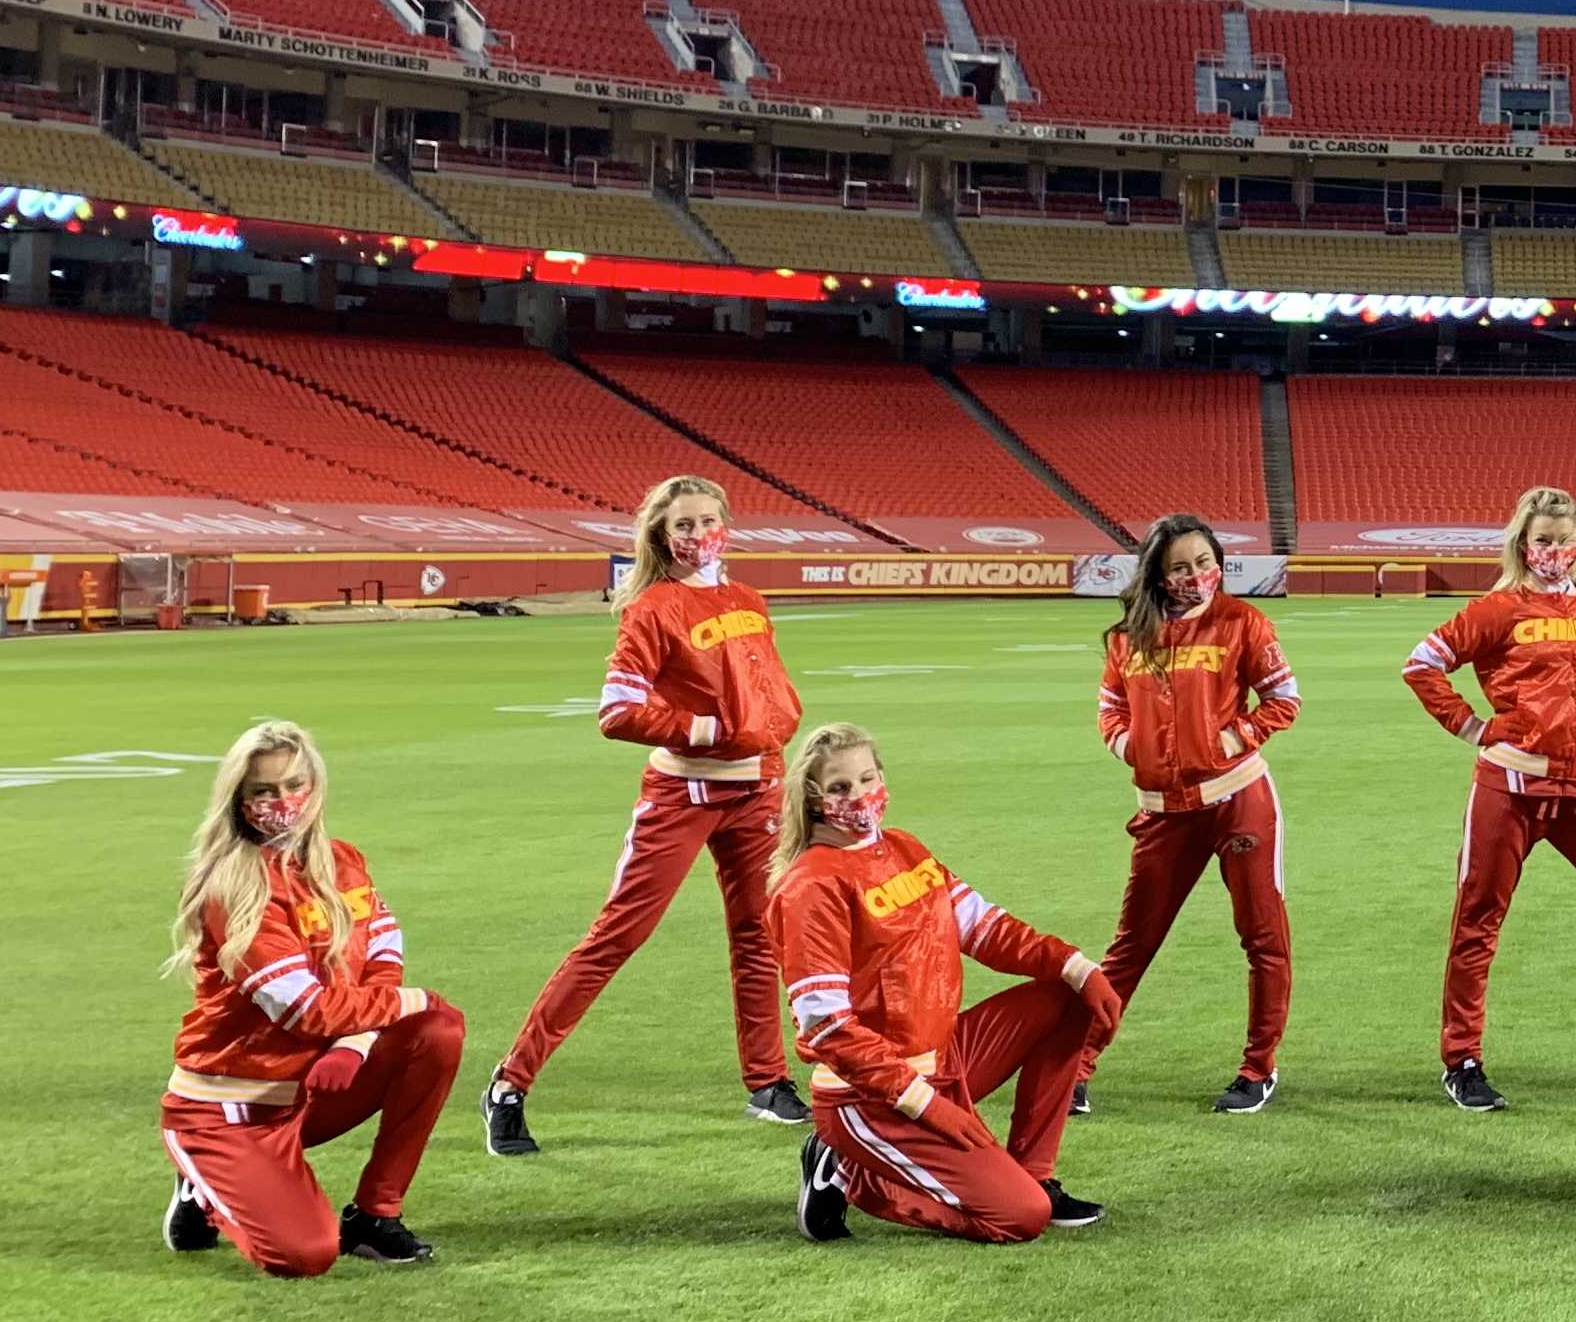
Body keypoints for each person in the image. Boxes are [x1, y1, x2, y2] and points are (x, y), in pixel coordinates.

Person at [486, 474, 809, 1153]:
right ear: (662, 537)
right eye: (683, 525)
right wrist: (707, 731)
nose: (697, 535)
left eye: (707, 521)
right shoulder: (652, 609)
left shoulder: (749, 599)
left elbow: (764, 695)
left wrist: (772, 736)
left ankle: (768, 1081)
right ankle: (510, 1084)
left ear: (728, 526)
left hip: (757, 793)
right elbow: (617, 712)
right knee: (616, 938)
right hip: (682, 797)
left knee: (759, 937)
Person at [769, 722, 1119, 1244]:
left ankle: (1036, 1175)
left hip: (944, 1058)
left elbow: (983, 926)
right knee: (1019, 1219)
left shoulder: (905, 847)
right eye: (841, 787)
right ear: (814, 798)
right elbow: (826, 1030)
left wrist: (1075, 965)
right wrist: (922, 1103)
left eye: (868, 779)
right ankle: (852, 1176)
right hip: (871, 1096)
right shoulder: (810, 886)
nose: (860, 797)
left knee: (1070, 996)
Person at [160, 718, 463, 1274]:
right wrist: (408, 1003)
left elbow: (382, 953)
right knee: (304, 1255)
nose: (283, 801)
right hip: (229, 1106)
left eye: (294, 785)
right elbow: (308, 1010)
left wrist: (360, 1040)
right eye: (263, 791)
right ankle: (201, 1187)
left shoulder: (341, 860)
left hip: (308, 1087)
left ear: (315, 786)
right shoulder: (233, 884)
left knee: (436, 1033)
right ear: (238, 800)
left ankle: (375, 1216)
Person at [1401, 482, 1576, 1110]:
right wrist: (1474, 727)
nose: (1555, 550)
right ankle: (1462, 1058)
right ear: (1523, 544)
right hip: (1508, 788)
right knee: (1478, 921)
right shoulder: (1496, 609)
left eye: (1565, 540)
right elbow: (1422, 663)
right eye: (1543, 540)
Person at [1090, 514, 1300, 1112]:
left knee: (1263, 938)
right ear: (1158, 573)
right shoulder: (1127, 637)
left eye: (1204, 563)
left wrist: (1233, 740)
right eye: (1180, 567)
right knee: (1132, 943)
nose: (1195, 576)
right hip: (1162, 812)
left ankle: (1258, 1069)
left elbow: (1284, 698)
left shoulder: (1243, 622)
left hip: (1238, 802)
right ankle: (1076, 1067)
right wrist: (1134, 749)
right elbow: (1109, 711)